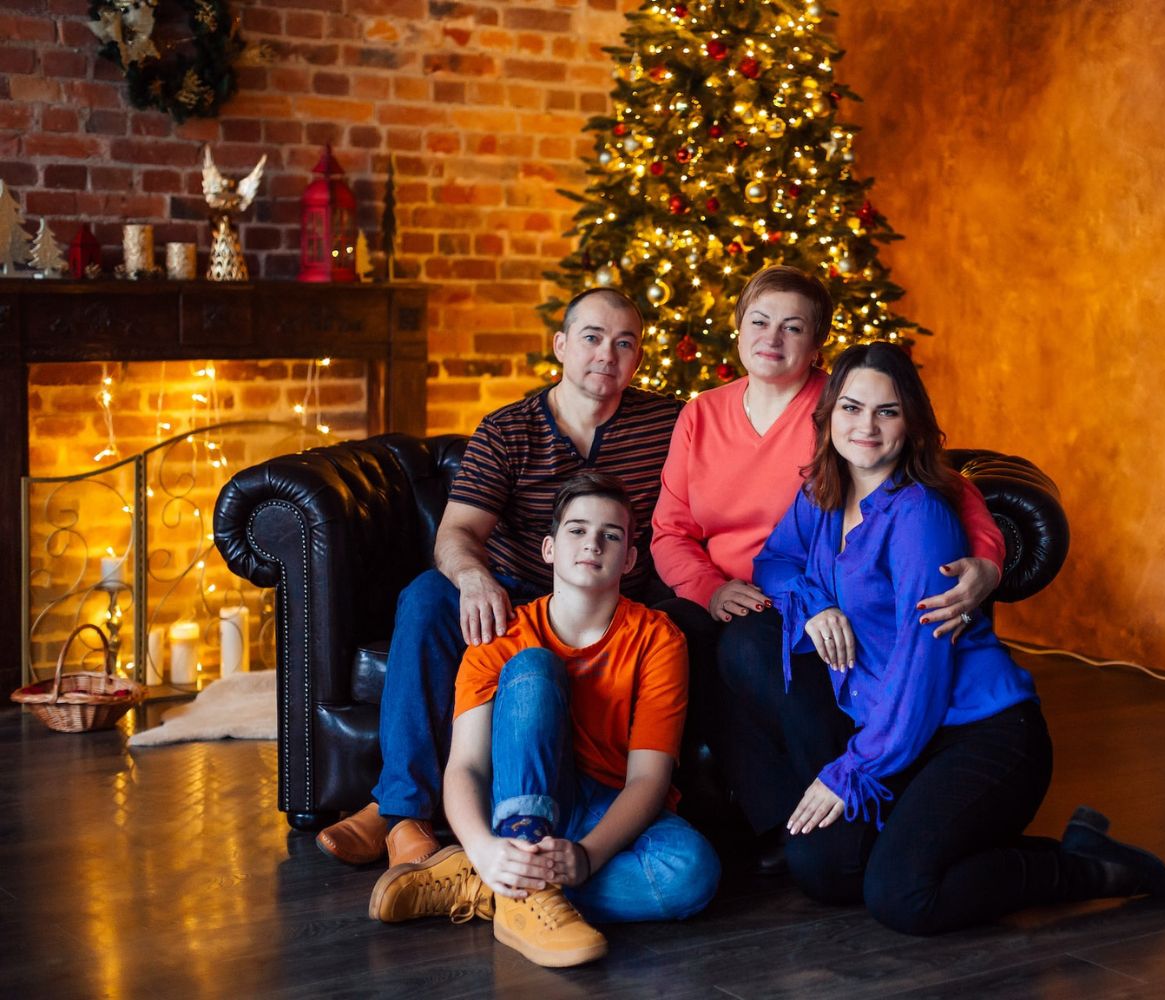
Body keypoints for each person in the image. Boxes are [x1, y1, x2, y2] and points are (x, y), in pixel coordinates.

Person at [752, 342, 1165, 935]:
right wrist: (815, 606)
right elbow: (773, 561)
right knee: (822, 869)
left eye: (888, 411)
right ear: (827, 416)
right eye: (851, 408)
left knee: (903, 899)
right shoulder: (822, 496)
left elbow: (920, 673)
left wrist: (850, 770)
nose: (866, 427)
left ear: (913, 423)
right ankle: (939, 849)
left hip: (984, 733)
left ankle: (1086, 868)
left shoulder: (920, 513)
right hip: (908, 735)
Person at [650, 265, 1007, 867]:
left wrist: (988, 563)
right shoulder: (701, 414)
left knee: (747, 648)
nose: (772, 338)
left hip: (820, 592)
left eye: (793, 327)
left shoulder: (846, 405)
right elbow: (669, 529)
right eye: (759, 322)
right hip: (737, 586)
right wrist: (710, 590)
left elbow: (942, 486)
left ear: (817, 345)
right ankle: (771, 824)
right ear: (737, 329)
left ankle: (837, 810)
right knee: (675, 633)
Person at [316, 287, 682, 868]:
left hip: (611, 603)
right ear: (561, 345)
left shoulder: (668, 424)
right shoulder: (509, 429)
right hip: (516, 597)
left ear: (638, 358)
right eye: (591, 338)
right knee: (429, 597)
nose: (605, 355)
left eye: (624, 343)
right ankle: (401, 811)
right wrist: (472, 578)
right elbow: (457, 532)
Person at [367, 472, 720, 968]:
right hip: (517, 799)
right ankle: (515, 873)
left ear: (631, 558)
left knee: (691, 873)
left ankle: (492, 887)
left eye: (610, 535)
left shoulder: (658, 639)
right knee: (534, 666)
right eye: (577, 530)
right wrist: (485, 844)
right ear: (550, 549)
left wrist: (589, 856)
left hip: (603, 804)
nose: (592, 544)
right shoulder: (501, 633)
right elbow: (466, 766)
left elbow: (648, 779)